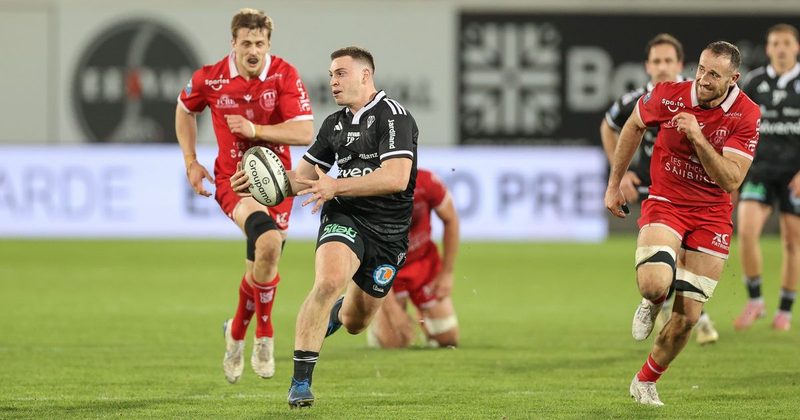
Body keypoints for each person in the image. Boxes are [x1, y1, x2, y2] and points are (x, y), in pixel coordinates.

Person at [233, 46, 417, 408]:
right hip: (344, 215)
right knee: (329, 281)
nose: (333, 81)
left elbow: (396, 178)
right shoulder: (334, 124)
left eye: (341, 73)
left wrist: (336, 184)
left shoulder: (394, 118)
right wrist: (262, 182)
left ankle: (337, 314)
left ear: (365, 75)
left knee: (355, 322)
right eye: (331, 74)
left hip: (389, 230)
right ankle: (301, 383)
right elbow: (301, 179)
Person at [605, 41, 761, 406]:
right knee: (653, 282)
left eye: (714, 75)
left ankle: (645, 381)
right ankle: (653, 299)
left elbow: (731, 180)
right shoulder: (669, 95)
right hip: (667, 201)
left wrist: (697, 135)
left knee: (688, 318)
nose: (703, 80)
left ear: (733, 79)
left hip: (711, 215)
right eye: (702, 69)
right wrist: (614, 185)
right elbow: (632, 125)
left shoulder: (747, 114)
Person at [175, 8, 314, 384]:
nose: (253, 50)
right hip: (233, 182)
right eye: (246, 43)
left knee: (261, 265)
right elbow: (184, 109)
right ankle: (264, 336)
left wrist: (255, 128)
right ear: (233, 43)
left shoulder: (283, 74)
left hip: (277, 183)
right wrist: (191, 161)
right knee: (267, 241)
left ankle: (236, 332)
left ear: (268, 44)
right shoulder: (211, 78)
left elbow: (304, 132)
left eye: (260, 43)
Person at [601, 33, 719, 345]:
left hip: (692, 189)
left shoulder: (699, 97)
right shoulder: (638, 100)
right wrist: (621, 175)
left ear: (680, 64)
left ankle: (681, 308)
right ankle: (665, 302)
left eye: (668, 60)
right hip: (653, 185)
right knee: (663, 249)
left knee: (683, 250)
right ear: (647, 66)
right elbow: (609, 125)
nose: (662, 67)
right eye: (656, 61)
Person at [734, 24, 800, 332]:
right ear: (769, 48)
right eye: (776, 43)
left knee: (792, 241)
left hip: (794, 175)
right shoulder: (754, 81)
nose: (782, 48)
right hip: (759, 170)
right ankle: (755, 300)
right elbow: (737, 124)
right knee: (746, 231)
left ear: (796, 48)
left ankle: (785, 310)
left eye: (787, 43)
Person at [366, 168, 460, 349]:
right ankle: (369, 309)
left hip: (423, 263)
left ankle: (422, 310)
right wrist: (392, 309)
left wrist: (447, 273)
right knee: (393, 343)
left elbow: (451, 219)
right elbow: (369, 253)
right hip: (386, 270)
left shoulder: (427, 182)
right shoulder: (373, 191)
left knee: (447, 340)